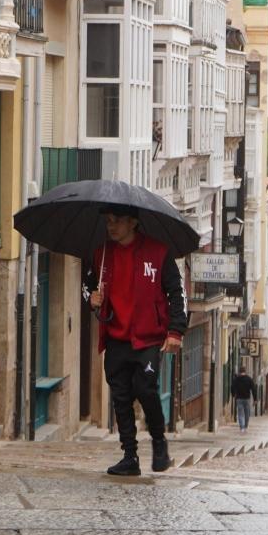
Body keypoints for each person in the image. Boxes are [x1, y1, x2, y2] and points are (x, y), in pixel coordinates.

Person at [83, 204, 188, 477]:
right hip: (116, 337)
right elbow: (88, 287)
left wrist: (175, 331)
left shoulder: (158, 253)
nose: (111, 226)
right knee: (120, 397)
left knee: (146, 388)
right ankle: (129, 456)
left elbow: (177, 293)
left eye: (117, 220)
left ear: (133, 222)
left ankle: (158, 440)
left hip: (148, 339)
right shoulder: (101, 255)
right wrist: (91, 299)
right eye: (108, 220)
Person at [230, 367, 256, 433]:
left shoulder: (236, 379)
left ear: (239, 371)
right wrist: (255, 399)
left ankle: (242, 427)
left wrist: (233, 395)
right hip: (247, 399)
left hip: (239, 398)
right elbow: (253, 389)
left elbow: (232, 387)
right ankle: (245, 427)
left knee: (240, 413)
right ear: (245, 371)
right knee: (247, 413)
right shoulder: (249, 379)